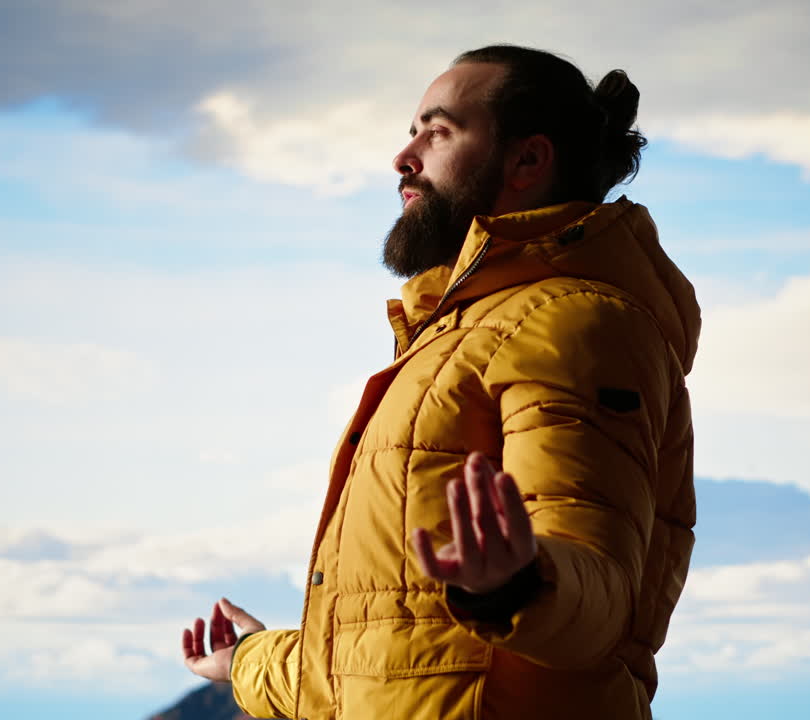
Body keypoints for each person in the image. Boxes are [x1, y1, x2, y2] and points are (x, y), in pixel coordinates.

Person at [180, 44, 700, 720]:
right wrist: (246, 660)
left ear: (527, 160)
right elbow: (379, 663)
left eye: (439, 130)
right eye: (412, 132)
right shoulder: (446, 343)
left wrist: (516, 585)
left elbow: (602, 591)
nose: (405, 156)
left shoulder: (574, 323)